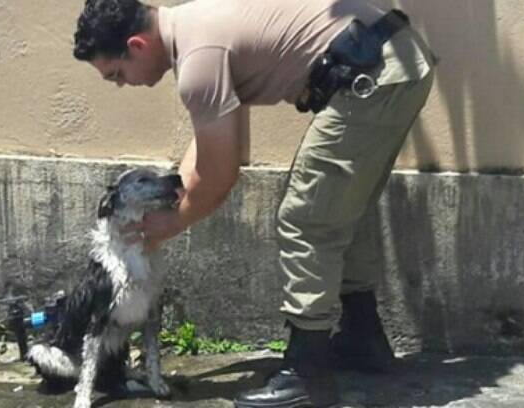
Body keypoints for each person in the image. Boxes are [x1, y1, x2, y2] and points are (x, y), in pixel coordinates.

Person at [73, 0, 435, 406]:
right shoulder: (197, 25)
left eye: (117, 74)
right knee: (339, 207)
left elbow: (221, 174)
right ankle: (362, 339)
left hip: (372, 76)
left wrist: (168, 225)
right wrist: (172, 199)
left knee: (305, 218)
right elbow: (218, 150)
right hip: (394, 60)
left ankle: (308, 373)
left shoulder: (198, 62)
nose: (123, 84)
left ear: (136, 45)